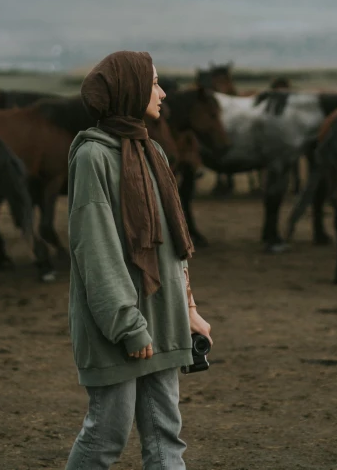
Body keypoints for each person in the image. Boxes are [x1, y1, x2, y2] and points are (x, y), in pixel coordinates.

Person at [65, 51, 212, 469]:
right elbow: (96, 249)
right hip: (117, 328)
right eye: (154, 83)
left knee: (167, 437)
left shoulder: (154, 153)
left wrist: (189, 310)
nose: (162, 93)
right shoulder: (92, 157)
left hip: (163, 319)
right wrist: (129, 326)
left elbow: (171, 246)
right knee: (106, 437)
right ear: (129, 89)